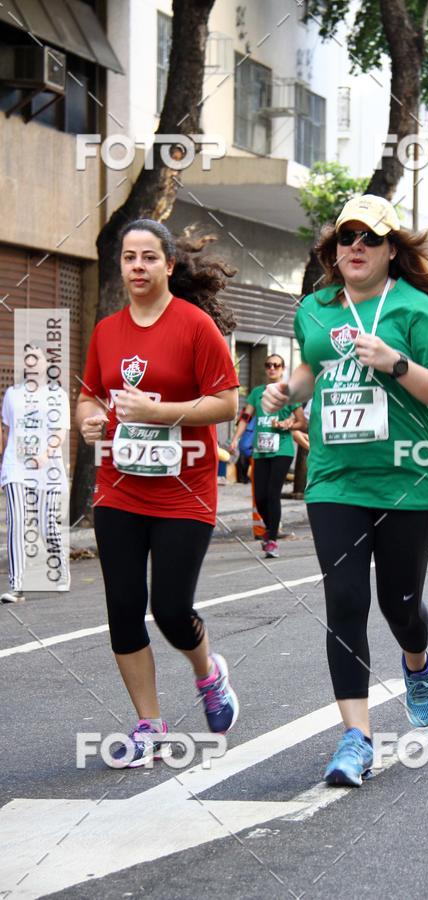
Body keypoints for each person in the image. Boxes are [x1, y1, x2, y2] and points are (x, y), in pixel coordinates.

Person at [263, 194, 428, 786]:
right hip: (335, 478)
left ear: (390, 251)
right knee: (346, 600)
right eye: (346, 237)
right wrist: (291, 393)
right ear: (334, 250)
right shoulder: (316, 308)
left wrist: (394, 362)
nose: (355, 246)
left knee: (399, 605)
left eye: (369, 238)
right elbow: (312, 367)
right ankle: (356, 737)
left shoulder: (416, 309)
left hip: (407, 481)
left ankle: (417, 662)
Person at [75, 219, 240, 768]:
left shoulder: (195, 327)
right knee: (124, 607)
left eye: (149, 257)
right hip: (119, 491)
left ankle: (207, 673)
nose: (137, 267)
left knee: (171, 609)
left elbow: (227, 404)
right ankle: (149, 723)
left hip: (184, 492)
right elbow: (89, 398)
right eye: (128, 257)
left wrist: (160, 412)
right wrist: (91, 420)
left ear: (169, 265)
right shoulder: (106, 331)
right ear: (120, 265)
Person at [1, 345, 69, 603]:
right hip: (15, 467)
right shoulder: (12, 394)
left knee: (46, 525)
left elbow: (60, 431)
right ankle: (16, 586)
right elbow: (7, 431)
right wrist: (5, 465)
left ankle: (60, 570)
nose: (30, 362)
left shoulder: (57, 395)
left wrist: (45, 454)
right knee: (17, 522)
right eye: (26, 357)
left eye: (36, 357)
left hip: (47, 468)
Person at [229, 355, 306, 558]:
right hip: (261, 450)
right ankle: (270, 528)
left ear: (283, 369)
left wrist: (287, 424)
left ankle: (272, 539)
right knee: (260, 497)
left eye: (276, 365)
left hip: (282, 450)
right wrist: (236, 439)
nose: (272, 368)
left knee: (273, 494)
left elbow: (301, 423)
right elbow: (246, 416)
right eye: (268, 365)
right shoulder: (257, 393)